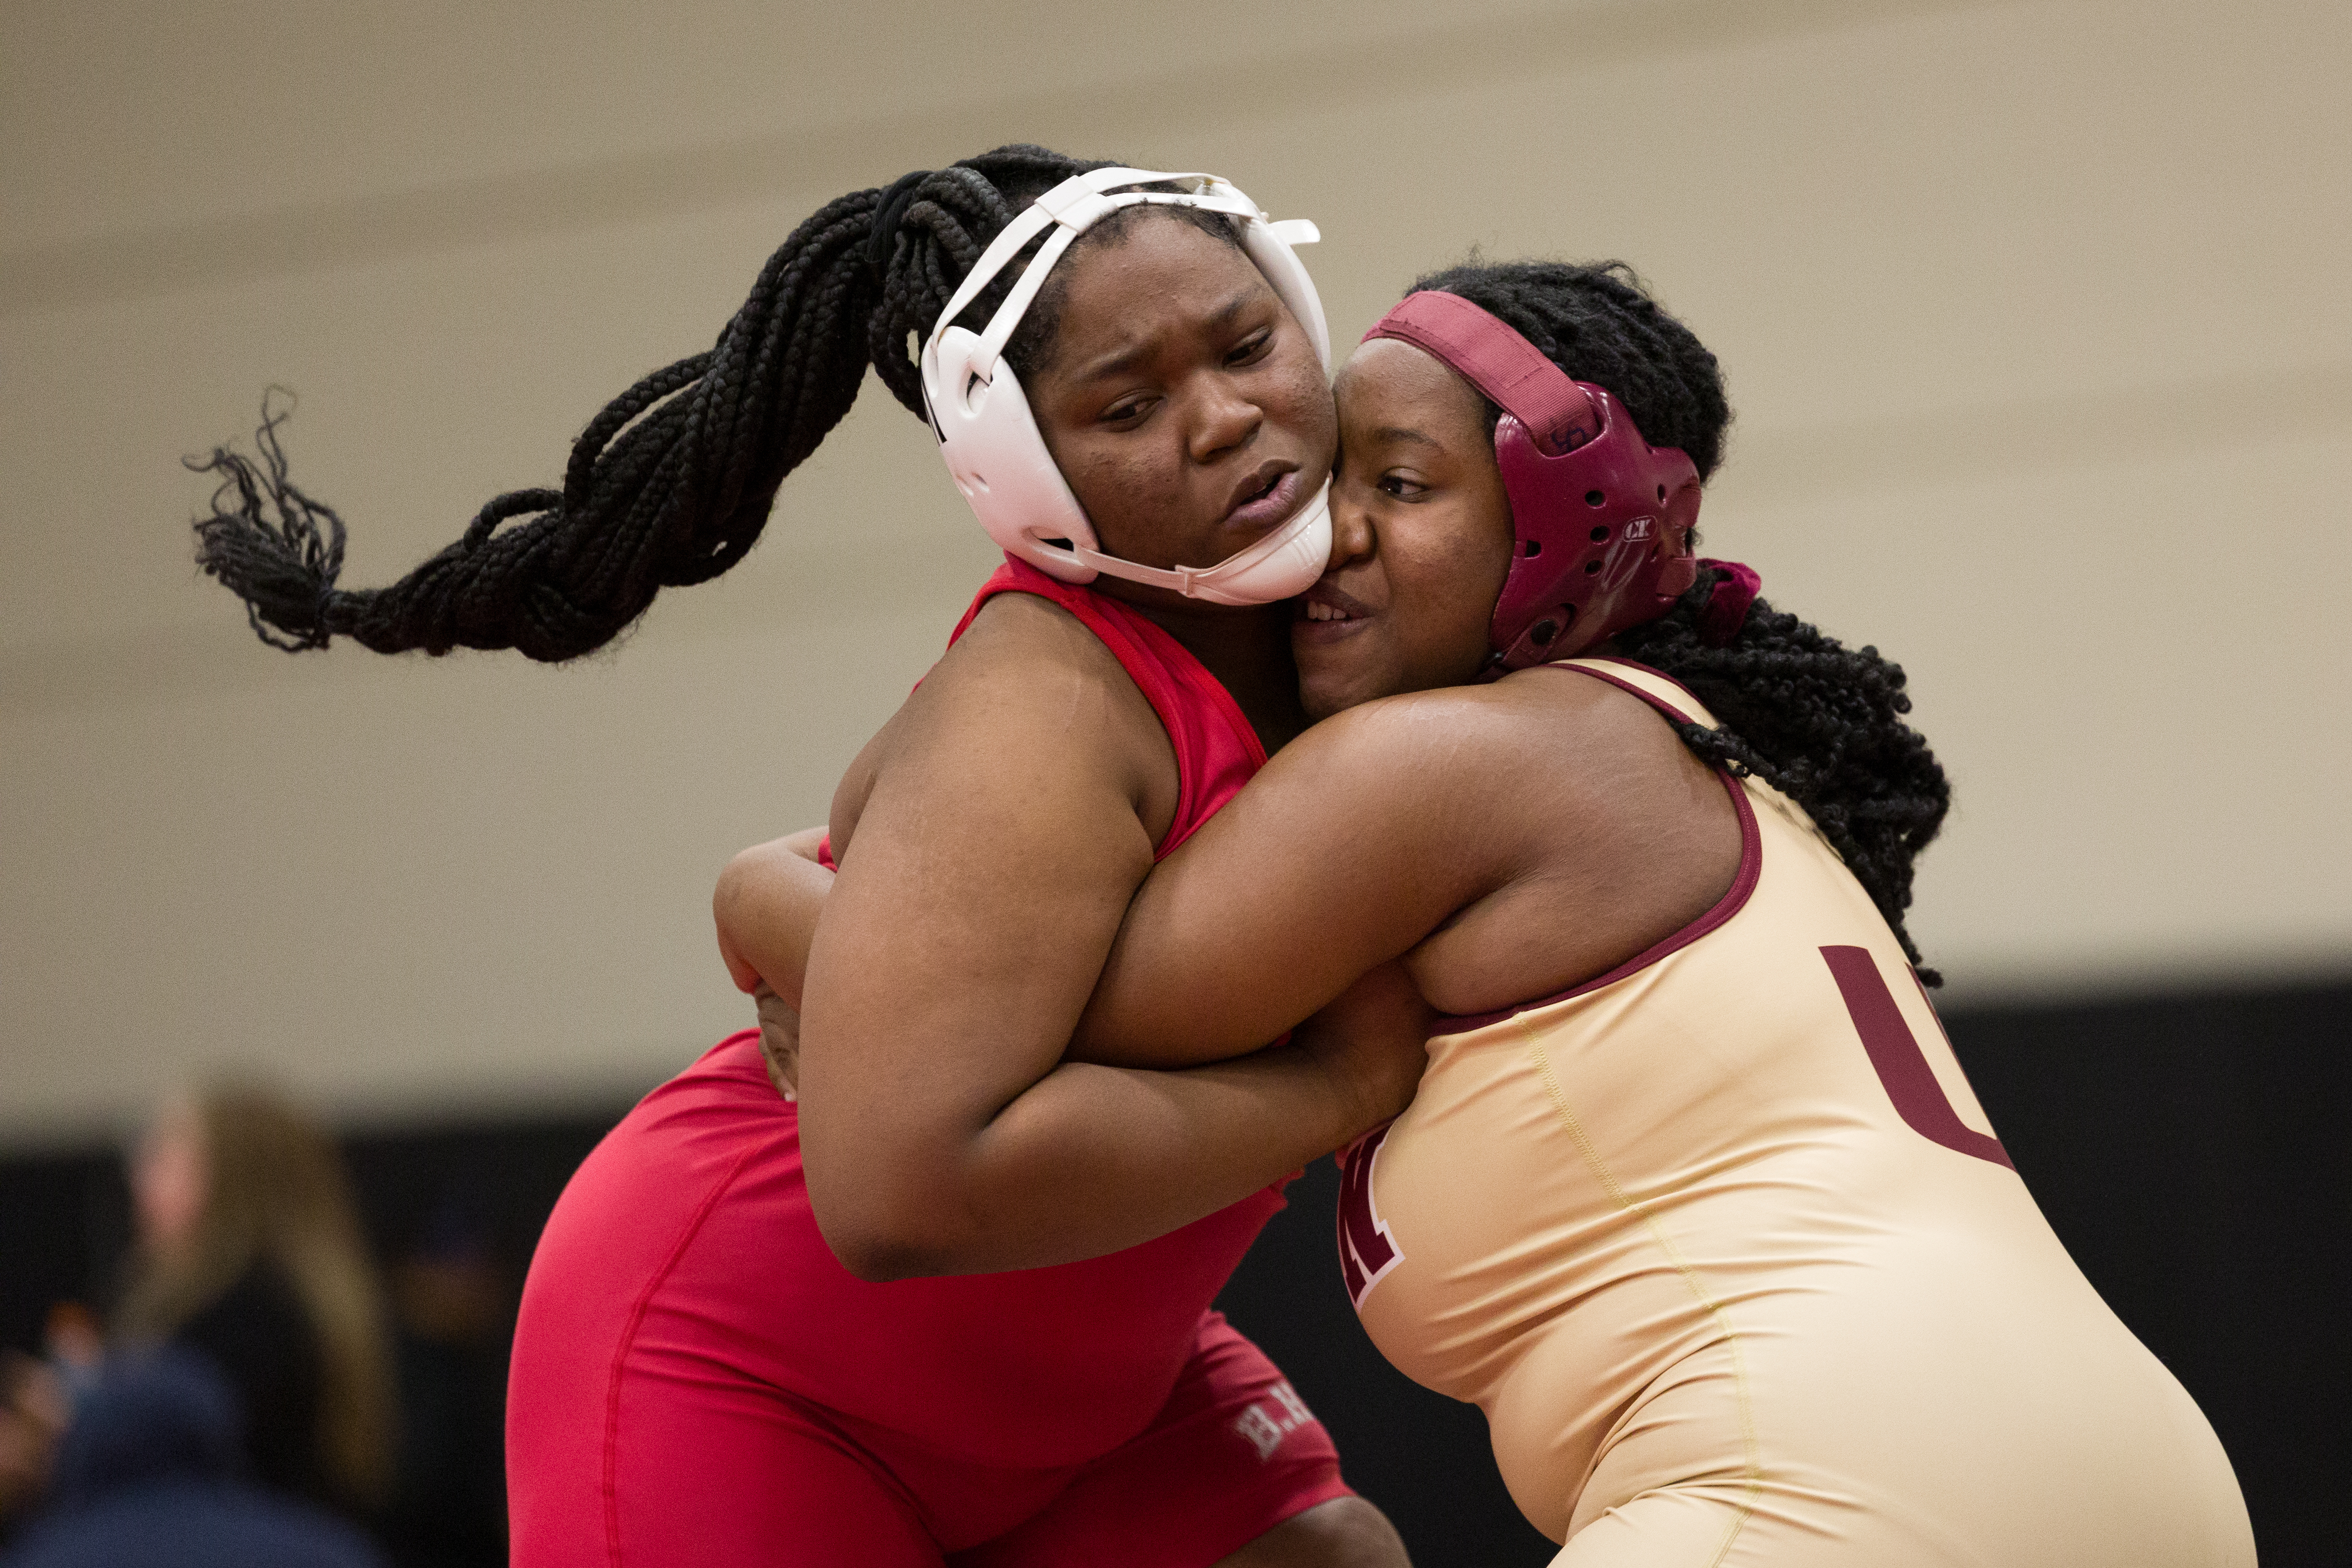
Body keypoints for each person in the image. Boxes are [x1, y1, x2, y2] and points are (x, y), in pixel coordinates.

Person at [725, 262, 2257, 1564]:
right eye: (1335, 476)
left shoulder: (1442, 767)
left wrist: (760, 896)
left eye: (1401, 485)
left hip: (1824, 1470)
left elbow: (1022, 1017)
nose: (1332, 530)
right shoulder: (1674, 750)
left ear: (1563, 528)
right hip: (2126, 1472)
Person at [186, 146, 1415, 1567]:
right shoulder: (1050, 701)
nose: (1218, 419)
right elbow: (904, 1181)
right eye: (1127, 405)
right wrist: (1330, 1084)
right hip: (745, 1363)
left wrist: (773, 901)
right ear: (1022, 466)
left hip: (1078, 1388)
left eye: (1247, 344)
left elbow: (834, 872)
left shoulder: (1370, 588)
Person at [113, 1085, 395, 1524]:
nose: (139, 1179)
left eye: (166, 1158)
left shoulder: (243, 1326)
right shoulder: (307, 1307)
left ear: (232, 1179)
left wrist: (88, 1415)